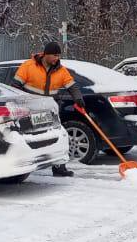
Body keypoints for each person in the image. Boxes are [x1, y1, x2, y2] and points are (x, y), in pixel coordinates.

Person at [12, 41, 84, 177]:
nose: (57, 58)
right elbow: (15, 86)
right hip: (30, 109)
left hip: (50, 109)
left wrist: (78, 98)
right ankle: (23, 168)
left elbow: (72, 86)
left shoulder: (61, 70)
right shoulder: (28, 66)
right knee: (30, 138)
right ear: (46, 54)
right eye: (55, 55)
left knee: (58, 136)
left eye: (58, 56)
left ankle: (59, 167)